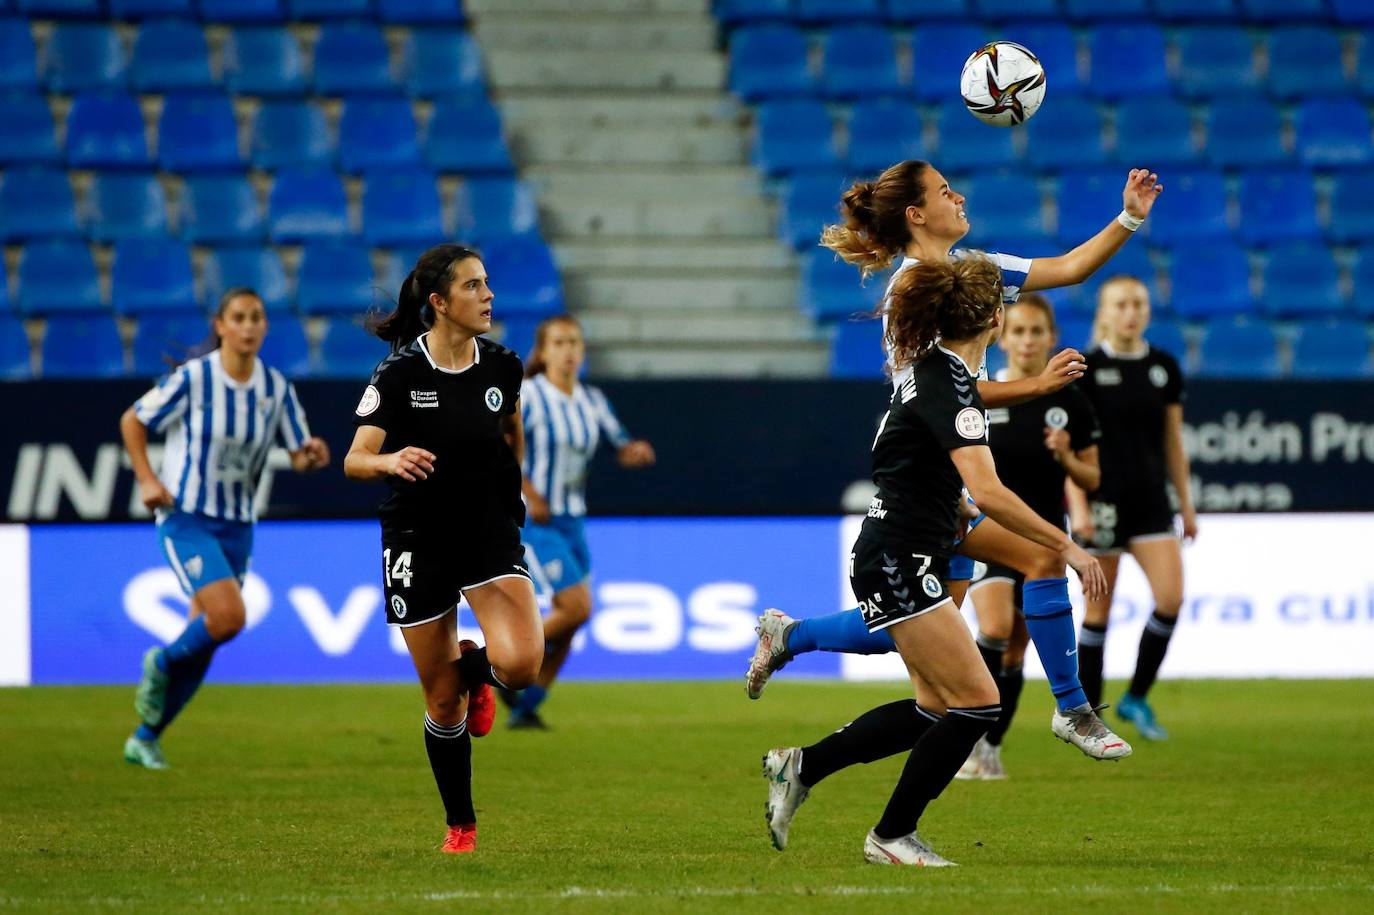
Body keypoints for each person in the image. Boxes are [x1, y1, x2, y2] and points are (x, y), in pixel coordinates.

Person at [747, 160, 1160, 751]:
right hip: (926, 472)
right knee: (1020, 569)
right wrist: (1036, 388)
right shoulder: (911, 292)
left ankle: (790, 636)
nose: (959, 196)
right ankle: (1070, 710)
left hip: (950, 471)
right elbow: (934, 396)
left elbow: (1069, 269)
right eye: (945, 191)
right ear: (917, 215)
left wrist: (1129, 217)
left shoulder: (975, 269)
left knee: (923, 621)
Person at [762, 256, 1110, 865]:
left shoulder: (937, 370)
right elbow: (994, 492)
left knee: (936, 707)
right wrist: (1070, 544)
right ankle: (890, 837)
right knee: (976, 701)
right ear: (996, 320)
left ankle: (805, 763)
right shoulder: (951, 385)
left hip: (923, 535)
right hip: (899, 551)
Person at [343, 244, 543, 854]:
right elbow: (354, 461)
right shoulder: (399, 376)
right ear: (439, 302)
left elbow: (512, 433)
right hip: (418, 538)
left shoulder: (504, 367)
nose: (488, 296)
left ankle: (477, 675)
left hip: (487, 534)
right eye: (474, 286)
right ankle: (462, 826)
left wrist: (509, 490)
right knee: (441, 698)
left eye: (488, 283)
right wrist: (390, 459)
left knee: (522, 666)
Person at [121, 287, 330, 770]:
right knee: (228, 618)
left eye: (257, 317)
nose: (249, 326)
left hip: (238, 525)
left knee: (209, 634)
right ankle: (161, 663)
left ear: (265, 326)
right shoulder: (195, 379)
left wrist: (312, 455)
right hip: (187, 516)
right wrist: (148, 479)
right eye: (238, 317)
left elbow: (298, 457)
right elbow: (132, 420)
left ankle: (146, 736)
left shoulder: (276, 389)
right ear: (220, 325)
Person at [958, 294, 1102, 779]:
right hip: (991, 533)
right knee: (995, 628)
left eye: (1036, 331)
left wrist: (1065, 458)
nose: (1026, 340)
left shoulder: (1071, 401)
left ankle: (990, 747)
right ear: (1002, 336)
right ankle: (967, 731)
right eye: (1017, 331)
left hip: (1042, 541)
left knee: (1017, 649)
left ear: (1051, 337)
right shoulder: (979, 392)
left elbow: (1092, 479)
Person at [507, 315, 655, 729]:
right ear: (543, 351)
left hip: (574, 519)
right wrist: (531, 493)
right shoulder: (529, 395)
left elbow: (619, 445)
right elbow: (502, 448)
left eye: (574, 342)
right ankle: (495, 664)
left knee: (573, 619)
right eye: (559, 342)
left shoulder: (592, 401)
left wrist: (635, 453)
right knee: (576, 606)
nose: (569, 349)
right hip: (535, 516)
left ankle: (527, 703)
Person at [1068, 275, 1195, 741]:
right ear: (1104, 312)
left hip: (1151, 503)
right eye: (1121, 304)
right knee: (1098, 612)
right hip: (1102, 503)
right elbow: (1071, 449)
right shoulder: (1087, 367)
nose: (1131, 312)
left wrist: (1187, 504)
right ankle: (1088, 716)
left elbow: (1172, 442)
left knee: (1170, 598)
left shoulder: (1163, 366)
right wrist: (1077, 506)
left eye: (1138, 303)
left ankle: (1136, 696)